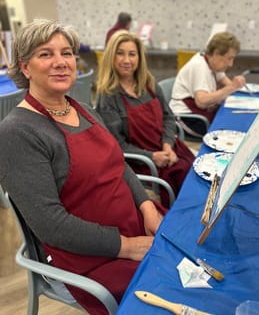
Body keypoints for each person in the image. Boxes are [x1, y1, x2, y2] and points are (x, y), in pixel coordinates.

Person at [0, 19, 166, 315]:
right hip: (91, 259)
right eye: (45, 54)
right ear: (25, 67)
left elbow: (120, 165)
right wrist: (128, 247)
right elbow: (51, 225)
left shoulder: (82, 109)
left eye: (66, 53)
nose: (61, 62)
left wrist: (146, 207)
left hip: (134, 227)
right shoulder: (17, 133)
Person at [96, 30, 194, 208]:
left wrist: (167, 145)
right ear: (111, 57)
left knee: (196, 175)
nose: (127, 60)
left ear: (139, 57)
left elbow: (168, 118)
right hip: (142, 161)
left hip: (168, 149)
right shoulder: (108, 96)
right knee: (180, 183)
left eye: (132, 54)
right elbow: (117, 145)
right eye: (120, 53)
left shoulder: (148, 83)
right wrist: (152, 156)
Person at [169, 31, 246, 137]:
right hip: (187, 119)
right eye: (229, 58)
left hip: (199, 114)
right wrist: (232, 87)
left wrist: (234, 86)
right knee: (229, 132)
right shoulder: (199, 66)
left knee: (234, 122)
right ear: (216, 54)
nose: (230, 64)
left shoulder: (213, 63)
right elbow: (201, 101)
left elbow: (227, 83)